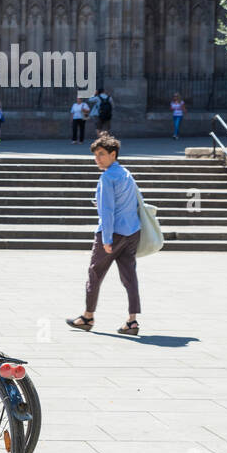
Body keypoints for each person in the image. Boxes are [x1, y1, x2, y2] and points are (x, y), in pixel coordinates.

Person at [66, 133, 143, 337]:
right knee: (129, 276)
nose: (97, 159)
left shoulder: (107, 176)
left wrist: (107, 239)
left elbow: (107, 211)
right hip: (132, 231)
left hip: (112, 233)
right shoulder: (126, 173)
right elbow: (136, 200)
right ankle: (132, 320)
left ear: (113, 154)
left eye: (101, 154)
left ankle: (87, 316)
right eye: (95, 155)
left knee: (95, 273)